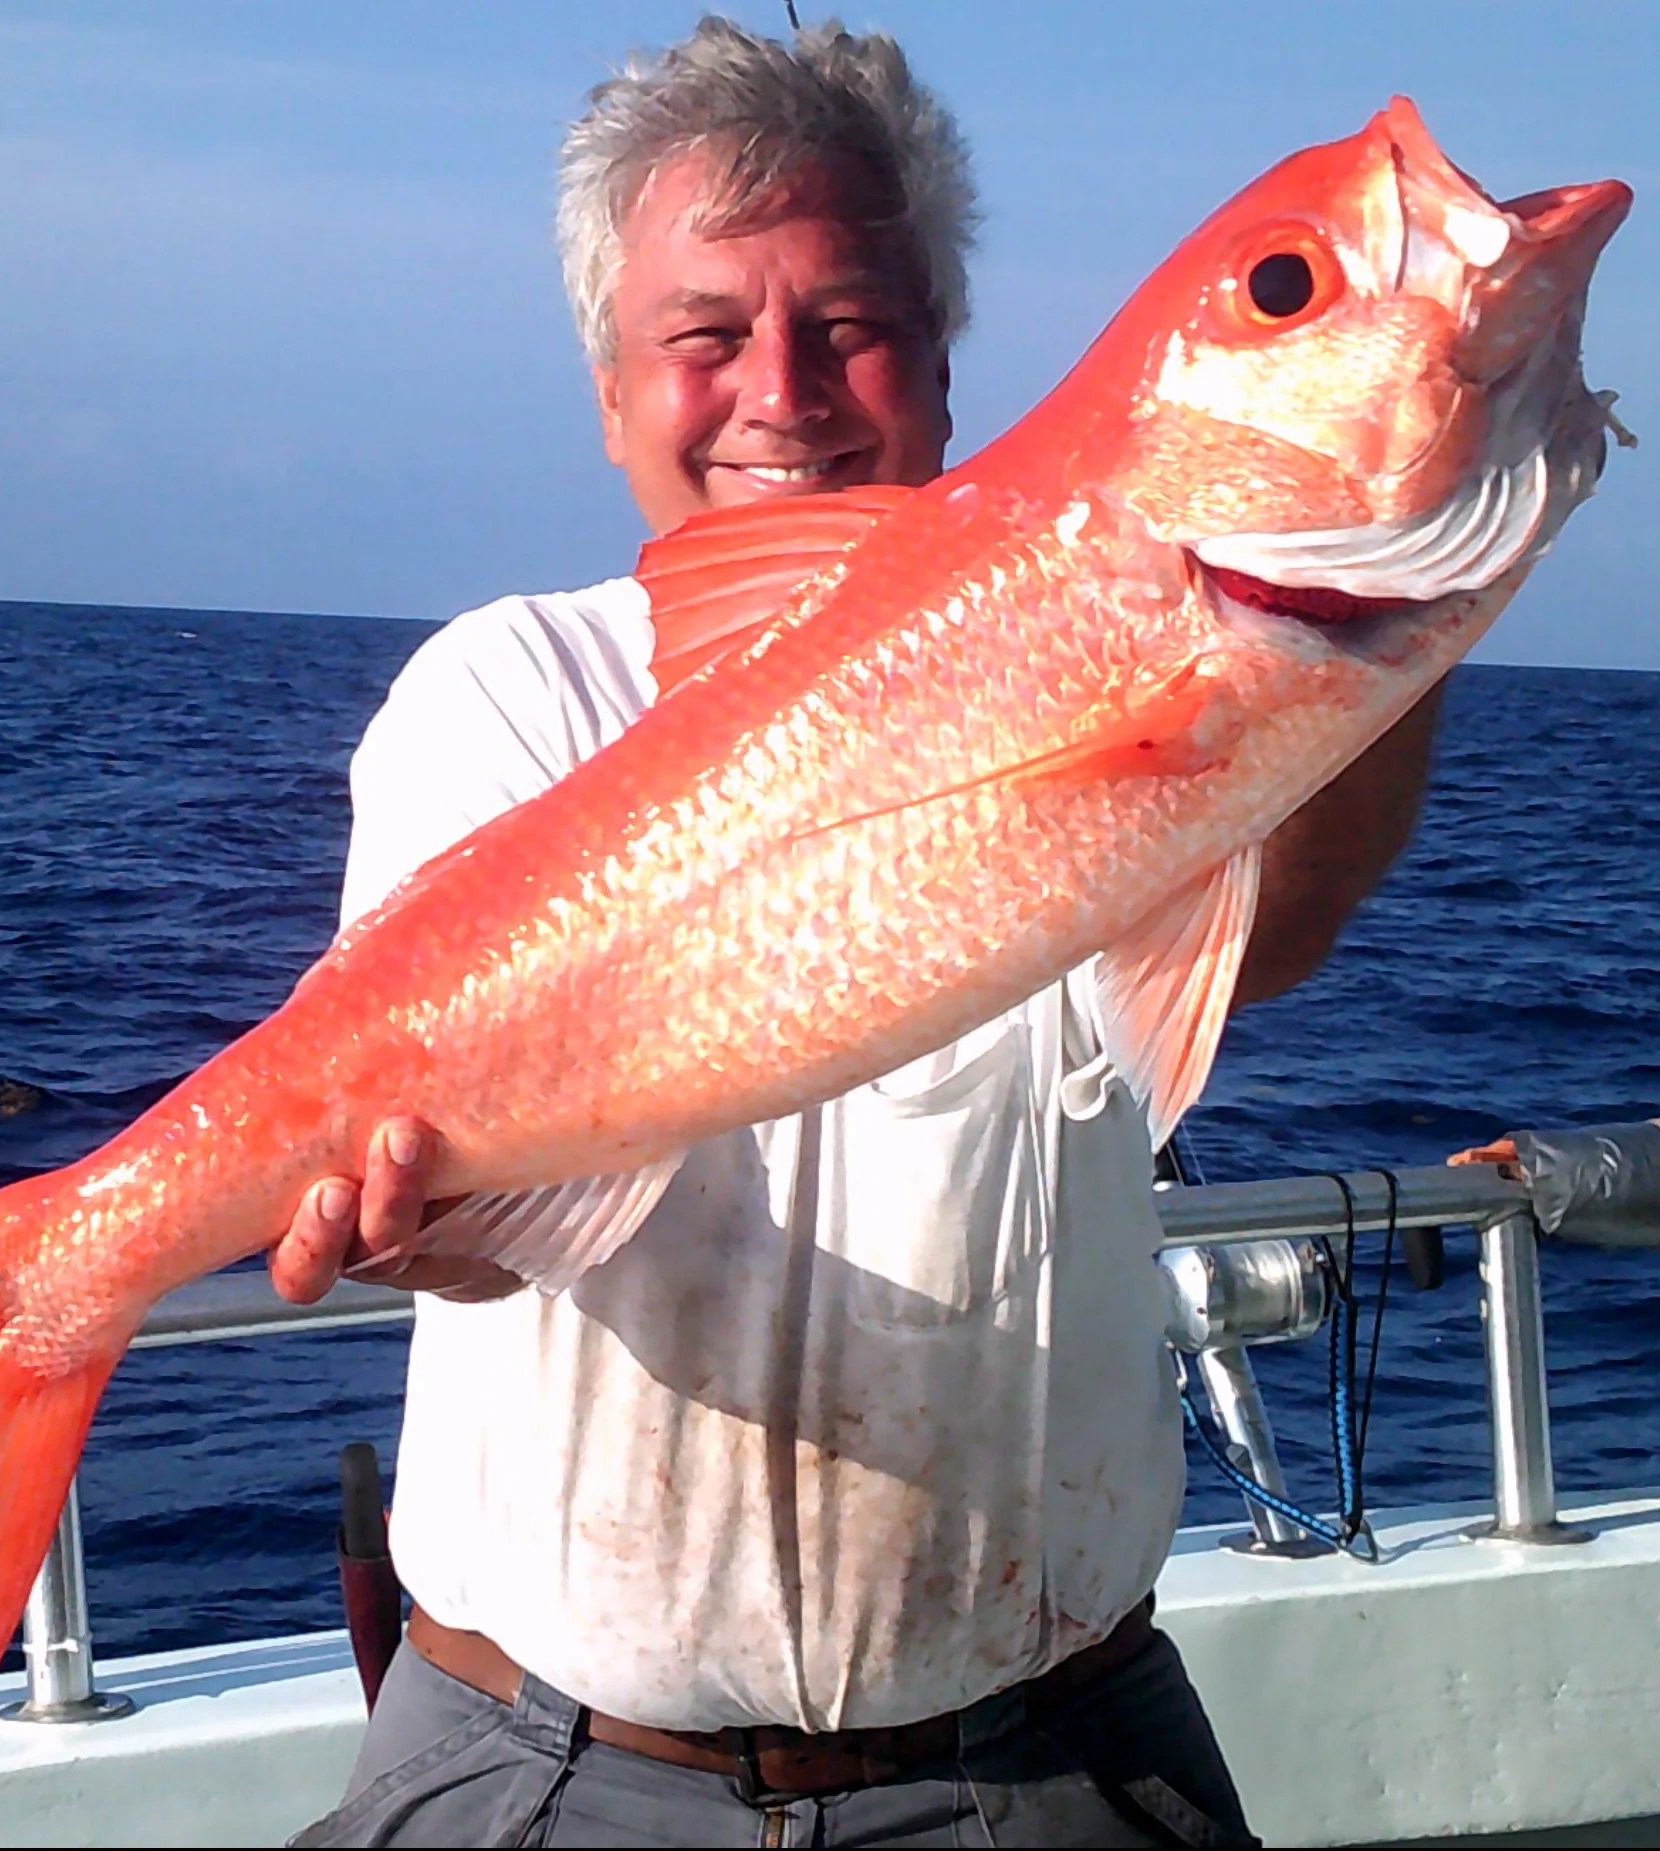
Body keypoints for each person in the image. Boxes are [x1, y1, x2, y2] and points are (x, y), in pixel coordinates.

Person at [279, 20, 1440, 1847]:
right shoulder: (503, 691)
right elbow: (482, 1209)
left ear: (942, 367)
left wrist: (1370, 596)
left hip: (1047, 1746)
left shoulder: (1097, 648)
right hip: (545, 1757)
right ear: (608, 385)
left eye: (846, 325)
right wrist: (416, 1223)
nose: (781, 393)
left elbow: (1268, 927)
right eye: (704, 334)